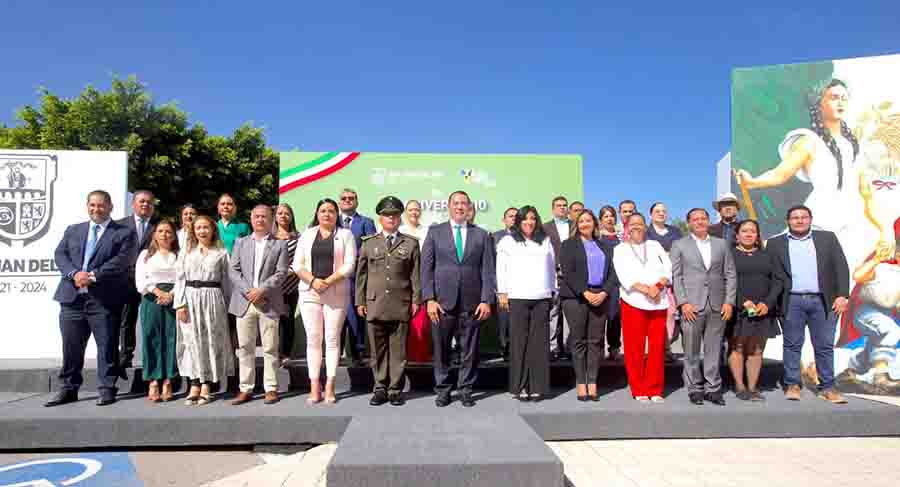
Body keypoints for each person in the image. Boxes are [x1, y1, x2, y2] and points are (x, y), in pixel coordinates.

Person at [46, 190, 135, 407]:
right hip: (71, 298)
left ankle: (106, 388)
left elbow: (122, 260)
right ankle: (69, 388)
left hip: (103, 299)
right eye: (92, 205)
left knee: (106, 346)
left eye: (101, 205)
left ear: (110, 207)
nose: (96, 209)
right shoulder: (73, 230)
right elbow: (60, 255)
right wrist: (74, 274)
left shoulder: (123, 233)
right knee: (71, 347)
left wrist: (93, 276)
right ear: (87, 206)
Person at [766, 205, 850, 404]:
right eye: (795, 217)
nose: (799, 220)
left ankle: (828, 387)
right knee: (792, 344)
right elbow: (772, 275)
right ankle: (793, 384)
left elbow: (841, 267)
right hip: (791, 300)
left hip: (824, 301)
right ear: (788, 221)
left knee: (824, 345)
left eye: (804, 217)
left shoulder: (827, 238)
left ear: (810, 219)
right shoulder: (776, 243)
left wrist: (842, 296)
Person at [422, 190, 496, 407]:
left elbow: (488, 270)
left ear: (469, 207)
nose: (460, 207)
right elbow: (426, 268)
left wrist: (486, 299)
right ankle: (443, 389)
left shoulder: (482, 234)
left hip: (472, 303)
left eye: (464, 203)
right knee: (441, 349)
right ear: (449, 206)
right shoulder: (435, 232)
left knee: (470, 350)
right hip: (442, 303)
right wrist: (429, 299)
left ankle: (466, 389)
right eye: (456, 203)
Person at [356, 196, 421, 406]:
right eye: (386, 215)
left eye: (394, 215)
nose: (391, 218)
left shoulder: (410, 244)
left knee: (399, 351)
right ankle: (380, 388)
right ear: (380, 218)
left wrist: (416, 300)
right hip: (374, 304)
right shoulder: (368, 243)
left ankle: (395, 389)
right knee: (377, 351)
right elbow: (361, 276)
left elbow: (415, 276)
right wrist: (359, 301)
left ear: (399, 217)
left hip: (401, 303)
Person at [671, 208, 736, 406]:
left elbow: (730, 274)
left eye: (703, 218)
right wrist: (683, 303)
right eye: (695, 219)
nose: (699, 222)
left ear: (708, 221)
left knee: (714, 349)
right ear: (689, 223)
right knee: (691, 351)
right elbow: (677, 276)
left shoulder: (721, 244)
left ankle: (713, 389)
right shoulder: (679, 245)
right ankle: (694, 388)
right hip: (691, 306)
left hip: (717, 305)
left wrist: (729, 301)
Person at [295, 198, 357, 404]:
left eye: (331, 211)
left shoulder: (346, 235)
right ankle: (314, 386)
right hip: (310, 292)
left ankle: (330, 385)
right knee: (313, 339)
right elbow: (297, 265)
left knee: (332, 339)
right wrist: (313, 281)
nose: (327, 214)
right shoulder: (307, 234)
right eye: (323, 211)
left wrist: (328, 281)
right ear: (317, 213)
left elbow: (349, 265)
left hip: (336, 292)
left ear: (336, 214)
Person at [228, 205, 289, 406]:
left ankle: (270, 388)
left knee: (271, 347)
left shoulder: (280, 245)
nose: (260, 220)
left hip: (268, 301)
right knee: (245, 347)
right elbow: (233, 271)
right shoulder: (240, 243)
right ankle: (245, 388)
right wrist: (249, 291)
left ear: (271, 220)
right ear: (251, 219)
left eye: (264, 216)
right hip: (244, 302)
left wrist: (261, 290)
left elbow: (281, 273)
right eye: (256, 216)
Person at [497, 205, 556, 401]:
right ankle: (519, 387)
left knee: (539, 345)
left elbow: (551, 268)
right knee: (519, 344)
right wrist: (503, 292)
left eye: (532, 218)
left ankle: (538, 386)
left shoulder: (545, 240)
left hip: (541, 298)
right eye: (525, 219)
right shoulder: (508, 241)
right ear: (518, 222)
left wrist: (553, 291)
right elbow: (501, 268)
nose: (529, 222)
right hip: (517, 297)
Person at [174, 215, 234, 406]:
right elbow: (180, 279)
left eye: (205, 227)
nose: (202, 231)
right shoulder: (186, 252)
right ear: (193, 231)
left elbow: (227, 281)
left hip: (213, 298)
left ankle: (207, 384)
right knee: (191, 342)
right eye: (198, 228)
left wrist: (226, 306)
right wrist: (180, 304)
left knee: (210, 341)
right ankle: (193, 384)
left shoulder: (221, 252)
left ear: (212, 230)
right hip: (190, 298)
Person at [613, 213, 672, 403]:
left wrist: (658, 286)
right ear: (627, 228)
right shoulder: (620, 249)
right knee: (634, 347)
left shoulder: (655, 246)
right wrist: (646, 289)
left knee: (656, 347)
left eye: (640, 223)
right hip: (633, 302)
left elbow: (668, 269)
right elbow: (623, 275)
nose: (637, 227)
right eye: (633, 224)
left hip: (658, 302)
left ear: (646, 226)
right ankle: (638, 388)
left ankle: (654, 388)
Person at [560, 209, 617, 401]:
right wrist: (585, 292)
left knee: (595, 342)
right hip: (575, 298)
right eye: (581, 221)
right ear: (577, 225)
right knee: (578, 341)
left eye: (588, 221)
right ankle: (580, 383)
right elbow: (568, 272)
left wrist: (603, 292)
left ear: (594, 223)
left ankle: (592, 382)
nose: (585, 224)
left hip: (600, 296)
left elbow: (613, 274)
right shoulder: (568, 245)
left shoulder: (605, 246)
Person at [727, 219, 783, 401]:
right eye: (744, 231)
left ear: (758, 235)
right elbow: (724, 281)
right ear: (737, 235)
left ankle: (752, 387)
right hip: (739, 309)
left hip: (763, 310)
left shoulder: (767, 256)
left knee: (757, 350)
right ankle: (739, 385)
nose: (749, 234)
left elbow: (777, 281)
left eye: (753, 231)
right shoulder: (730, 255)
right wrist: (741, 301)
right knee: (738, 347)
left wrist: (767, 303)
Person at [135, 219, 181, 403]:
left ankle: (169, 380)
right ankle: (153, 380)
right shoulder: (145, 255)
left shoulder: (179, 255)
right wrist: (157, 292)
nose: (164, 234)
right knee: (151, 337)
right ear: (154, 234)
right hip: (151, 298)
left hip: (174, 298)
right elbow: (140, 279)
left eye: (168, 231)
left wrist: (171, 294)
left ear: (173, 235)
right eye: (160, 231)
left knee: (172, 338)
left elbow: (183, 278)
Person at [117, 190, 157, 370]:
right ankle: (125, 356)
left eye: (149, 202)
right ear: (133, 204)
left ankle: (156, 357)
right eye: (141, 201)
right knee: (127, 320)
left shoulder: (158, 228)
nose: (145, 205)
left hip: (152, 282)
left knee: (153, 320)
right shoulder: (118, 226)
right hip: (125, 281)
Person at [338, 188, 376, 364]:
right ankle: (334, 354)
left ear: (357, 201)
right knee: (335, 319)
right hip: (334, 279)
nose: (347, 200)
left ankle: (358, 353)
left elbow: (371, 248)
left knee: (356, 318)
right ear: (339, 202)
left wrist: (351, 257)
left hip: (357, 279)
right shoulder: (332, 220)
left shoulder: (366, 222)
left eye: (351, 198)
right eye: (344, 198)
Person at [645, 202, 683, 363]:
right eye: (657, 211)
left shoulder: (675, 232)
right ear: (651, 214)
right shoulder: (646, 232)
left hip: (674, 280)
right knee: (655, 318)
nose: (661, 213)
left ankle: (666, 347)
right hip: (653, 281)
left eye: (664, 211)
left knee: (672, 317)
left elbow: (681, 252)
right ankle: (659, 350)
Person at [399, 199, 431, 363]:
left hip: (422, 279)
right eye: (410, 210)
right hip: (403, 281)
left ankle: (421, 357)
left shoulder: (427, 231)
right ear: (405, 212)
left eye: (417, 210)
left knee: (421, 323)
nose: (414, 212)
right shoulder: (400, 231)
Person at [541, 196, 570, 360]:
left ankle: (567, 347)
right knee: (553, 313)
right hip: (552, 275)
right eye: (559, 206)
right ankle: (552, 349)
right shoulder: (545, 227)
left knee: (569, 314)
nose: (562, 208)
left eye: (565, 205)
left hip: (572, 277)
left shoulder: (574, 226)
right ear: (553, 209)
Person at [274, 203, 301, 364]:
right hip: (272, 287)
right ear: (275, 217)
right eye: (280, 213)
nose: (283, 216)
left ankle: (285, 353)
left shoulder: (298, 237)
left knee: (288, 319)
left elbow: (300, 260)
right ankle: (274, 353)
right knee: (273, 321)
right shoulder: (269, 237)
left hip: (291, 285)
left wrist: (285, 273)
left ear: (291, 217)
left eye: (286, 213)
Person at [597, 206, 623, 361]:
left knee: (614, 317)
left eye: (612, 216)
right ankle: (598, 349)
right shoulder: (596, 238)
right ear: (600, 220)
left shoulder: (621, 238)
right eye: (606, 216)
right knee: (599, 317)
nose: (609, 218)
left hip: (616, 283)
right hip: (600, 283)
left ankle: (614, 348)